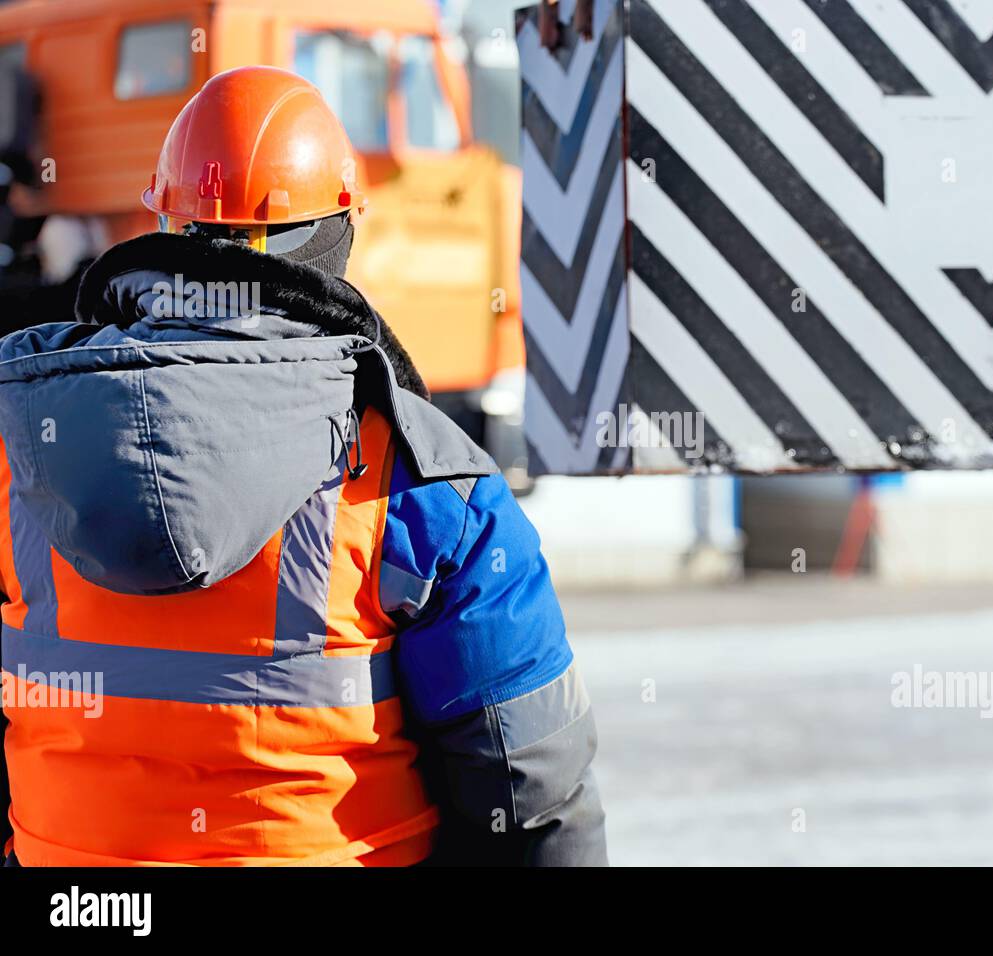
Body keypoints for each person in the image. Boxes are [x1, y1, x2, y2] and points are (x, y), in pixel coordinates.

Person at [0, 65, 606, 867]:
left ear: (165, 220)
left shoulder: (20, 445)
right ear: (342, 227)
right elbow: (529, 784)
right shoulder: (428, 482)